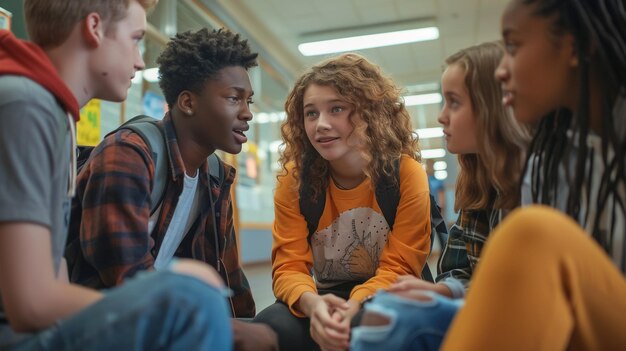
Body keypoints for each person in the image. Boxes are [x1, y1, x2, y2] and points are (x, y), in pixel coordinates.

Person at [0, 1, 234, 350]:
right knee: (190, 302)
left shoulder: (55, 112)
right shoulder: (25, 105)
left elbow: (54, 278)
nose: (140, 61)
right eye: (136, 38)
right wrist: (161, 299)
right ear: (94, 28)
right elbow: (30, 305)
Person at [64, 27, 277, 350]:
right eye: (234, 98)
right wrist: (231, 331)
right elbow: (125, 279)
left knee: (276, 329)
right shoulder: (129, 154)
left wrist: (250, 327)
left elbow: (228, 278)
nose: (247, 113)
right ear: (188, 102)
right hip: (96, 323)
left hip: (160, 315)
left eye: (247, 101)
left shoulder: (215, 177)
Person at [440, 0, 626, 350]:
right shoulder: (551, 159)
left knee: (533, 231)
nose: (501, 70)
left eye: (513, 47)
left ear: (575, 45)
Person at [351, 41, 531, 350]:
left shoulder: (535, 179)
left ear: (493, 106)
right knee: (383, 311)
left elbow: (526, 289)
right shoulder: (479, 180)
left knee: (392, 320)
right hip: (486, 306)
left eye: (454, 103)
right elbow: (457, 268)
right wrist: (444, 291)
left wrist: (446, 295)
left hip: (523, 318)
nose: (441, 117)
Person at [253, 53, 432, 351]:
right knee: (271, 326)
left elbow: (400, 268)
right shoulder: (295, 180)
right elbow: (289, 266)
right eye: (311, 113)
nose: (320, 124)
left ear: (370, 113)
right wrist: (312, 306)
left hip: (386, 295)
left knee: (369, 326)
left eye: (336, 109)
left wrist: (356, 305)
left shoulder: (405, 174)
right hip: (323, 296)